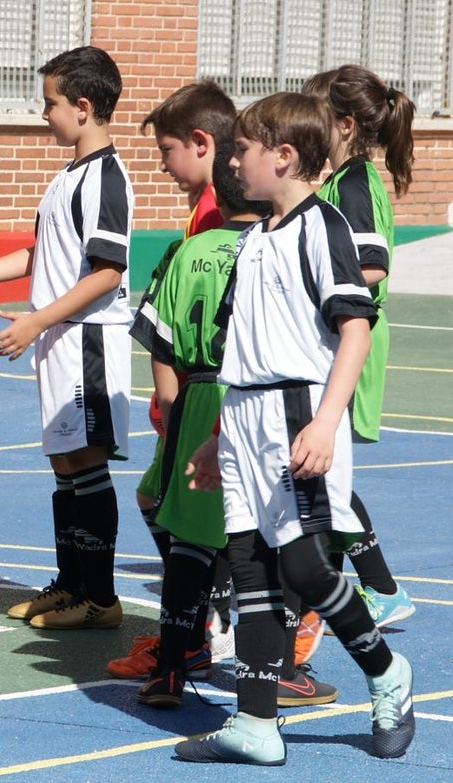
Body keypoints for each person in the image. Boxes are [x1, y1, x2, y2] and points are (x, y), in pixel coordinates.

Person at [174, 92, 414, 765]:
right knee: (249, 567)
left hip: (296, 415)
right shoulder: (252, 241)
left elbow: (355, 327)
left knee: (304, 565)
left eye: (242, 149)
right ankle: (255, 722)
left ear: (282, 156)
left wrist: (328, 420)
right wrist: (219, 436)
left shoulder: (321, 226)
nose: (232, 161)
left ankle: (384, 669)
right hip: (245, 417)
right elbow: (243, 346)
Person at [0, 46, 131, 630]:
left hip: (87, 341)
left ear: (83, 108)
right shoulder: (69, 176)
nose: (44, 115)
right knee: (65, 463)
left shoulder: (106, 178)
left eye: (50, 104)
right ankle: (73, 583)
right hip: (59, 337)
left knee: (87, 463)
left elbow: (108, 270)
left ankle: (101, 597)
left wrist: (38, 319)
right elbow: (46, 253)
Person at [121, 146, 265, 705]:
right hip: (254, 396)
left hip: (197, 393)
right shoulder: (272, 248)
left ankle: (172, 670)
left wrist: (171, 405)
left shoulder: (188, 251)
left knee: (188, 545)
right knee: (261, 542)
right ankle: (269, 672)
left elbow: (157, 335)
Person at [112, 80, 238, 677]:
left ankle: (199, 632)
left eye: (165, 151)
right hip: (197, 396)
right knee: (161, 504)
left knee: (184, 516)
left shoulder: (217, 218)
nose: (163, 167)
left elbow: (179, 318)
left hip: (205, 398)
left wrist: (172, 400)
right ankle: (204, 620)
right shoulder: (207, 210)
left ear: (200, 142)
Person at [301, 65, 416, 629]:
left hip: (353, 339)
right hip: (345, 336)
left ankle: (379, 589)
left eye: (314, 118)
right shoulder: (340, 180)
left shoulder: (351, 185)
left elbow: (370, 267)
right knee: (322, 473)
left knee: (326, 472)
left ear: (344, 125)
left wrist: (310, 287)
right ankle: (341, 584)